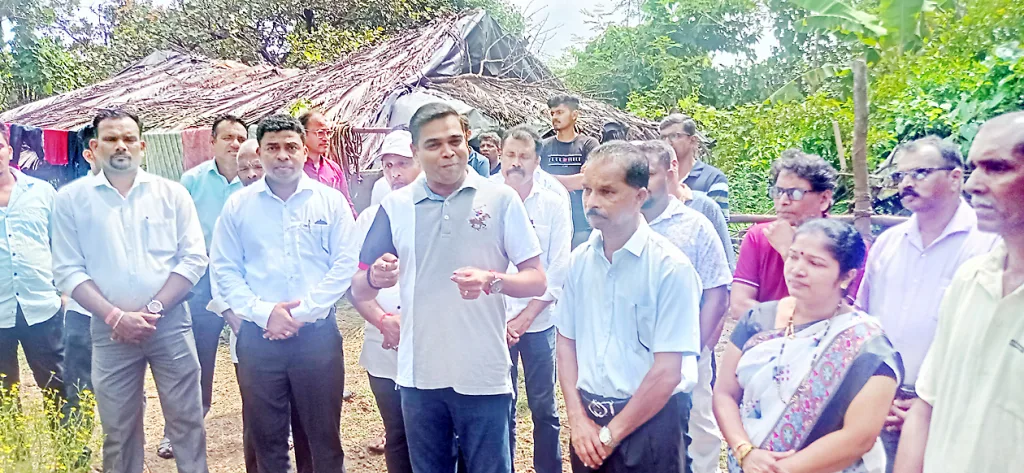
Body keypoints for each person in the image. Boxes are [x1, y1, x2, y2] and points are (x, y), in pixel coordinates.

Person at [351, 103, 546, 473]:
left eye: (455, 140)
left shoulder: (500, 199)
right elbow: (359, 288)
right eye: (434, 144)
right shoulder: (395, 207)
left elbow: (537, 278)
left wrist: (493, 280)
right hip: (419, 375)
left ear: (467, 140)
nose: (447, 152)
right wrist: (376, 277)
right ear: (415, 151)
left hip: (484, 372)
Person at [51, 108, 210, 473]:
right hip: (108, 332)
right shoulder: (71, 200)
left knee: (187, 421)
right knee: (119, 429)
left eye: (127, 139)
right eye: (110, 139)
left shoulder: (172, 194)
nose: (120, 146)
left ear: (142, 146)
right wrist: (115, 316)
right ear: (94, 146)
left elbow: (193, 259)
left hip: (169, 324)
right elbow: (67, 270)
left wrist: (154, 308)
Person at [210, 114, 359, 473]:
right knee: (266, 441)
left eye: (291, 147)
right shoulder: (238, 206)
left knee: (322, 439)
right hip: (259, 340)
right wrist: (264, 313)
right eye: (272, 148)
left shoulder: (330, 202)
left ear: (303, 152)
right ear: (259, 153)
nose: (282, 156)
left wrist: (302, 313)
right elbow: (224, 269)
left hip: (317, 339)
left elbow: (344, 264)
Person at [855, 136, 999, 472]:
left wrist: (933, 402)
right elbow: (864, 322)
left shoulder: (990, 244)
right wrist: (876, 391)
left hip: (953, 404)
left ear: (955, 178)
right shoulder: (888, 243)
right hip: (882, 399)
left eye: (920, 172)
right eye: (900, 176)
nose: (906, 183)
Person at [557, 141, 702, 473]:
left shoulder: (669, 267)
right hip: (588, 423)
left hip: (650, 424)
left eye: (607, 192)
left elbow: (668, 372)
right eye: (587, 190)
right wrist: (577, 419)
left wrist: (610, 437)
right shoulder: (579, 261)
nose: (592, 202)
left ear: (640, 196)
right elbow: (566, 342)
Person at [714, 219, 901, 473]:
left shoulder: (868, 347)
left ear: (847, 276)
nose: (797, 270)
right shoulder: (757, 321)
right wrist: (744, 450)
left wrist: (781, 470)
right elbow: (724, 394)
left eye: (815, 263)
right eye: (793, 257)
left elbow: (858, 438)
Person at [894, 112, 1024, 473]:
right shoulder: (971, 280)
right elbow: (927, 404)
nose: (973, 184)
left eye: (997, 168)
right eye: (974, 168)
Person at [636, 140, 732, 473]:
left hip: (686, 351)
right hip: (634, 354)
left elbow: (718, 292)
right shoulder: (620, 225)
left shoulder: (694, 226)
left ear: (670, 170)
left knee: (698, 427)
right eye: (635, 175)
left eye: (648, 174)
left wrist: (695, 350)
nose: (642, 184)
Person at [161, 114, 246, 459]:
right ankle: (178, 433)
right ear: (212, 142)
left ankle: (269, 425)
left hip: (243, 282)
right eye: (227, 137)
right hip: (202, 282)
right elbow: (177, 233)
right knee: (195, 360)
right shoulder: (192, 181)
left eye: (241, 138)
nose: (235, 144)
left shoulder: (256, 180)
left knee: (255, 356)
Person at [499, 126, 572, 473]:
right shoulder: (486, 198)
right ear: (499, 156)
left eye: (524, 156)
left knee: (544, 407)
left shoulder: (554, 201)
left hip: (540, 321)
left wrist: (526, 317)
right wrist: (506, 320)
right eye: (510, 155)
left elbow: (559, 267)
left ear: (537, 160)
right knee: (500, 405)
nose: (516, 163)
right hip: (495, 321)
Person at [347, 130, 419, 473]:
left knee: (440, 434)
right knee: (398, 432)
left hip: (429, 342)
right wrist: (383, 321)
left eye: (403, 164)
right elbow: (355, 285)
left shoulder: (437, 214)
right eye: (388, 165)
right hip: (383, 342)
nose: (395, 173)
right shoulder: (368, 219)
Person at [731, 150, 865, 319]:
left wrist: (788, 251)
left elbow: (837, 313)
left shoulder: (847, 245)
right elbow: (739, 305)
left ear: (824, 199)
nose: (783, 201)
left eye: (795, 193)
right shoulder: (759, 236)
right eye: (778, 192)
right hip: (766, 341)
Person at [0, 122, 65, 405]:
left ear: (9, 151)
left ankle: (71, 450)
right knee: (3, 400)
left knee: (59, 387)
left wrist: (65, 293)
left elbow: (62, 244)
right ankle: (11, 451)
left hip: (42, 306)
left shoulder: (41, 192)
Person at [61, 128, 101, 422]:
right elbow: (62, 259)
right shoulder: (70, 201)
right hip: (81, 312)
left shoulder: (149, 197)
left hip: (130, 310)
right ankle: (78, 460)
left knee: (127, 390)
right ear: (89, 154)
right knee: (77, 391)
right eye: (108, 143)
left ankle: (128, 461)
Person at [540, 94, 600, 248]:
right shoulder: (543, 146)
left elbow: (590, 180)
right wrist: (574, 180)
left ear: (574, 115)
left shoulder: (588, 144)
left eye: (560, 112)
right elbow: (534, 179)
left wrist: (549, 180)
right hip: (549, 221)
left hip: (582, 221)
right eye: (552, 113)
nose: (554, 117)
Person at [660, 114, 729, 219]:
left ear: (692, 140)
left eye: (674, 136)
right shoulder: (656, 177)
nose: (667, 142)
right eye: (663, 137)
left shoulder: (713, 179)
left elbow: (718, 224)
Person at [299, 110, 357, 217]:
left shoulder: (333, 168)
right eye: (320, 132)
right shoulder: (295, 169)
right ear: (302, 134)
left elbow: (346, 204)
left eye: (328, 133)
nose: (325, 138)